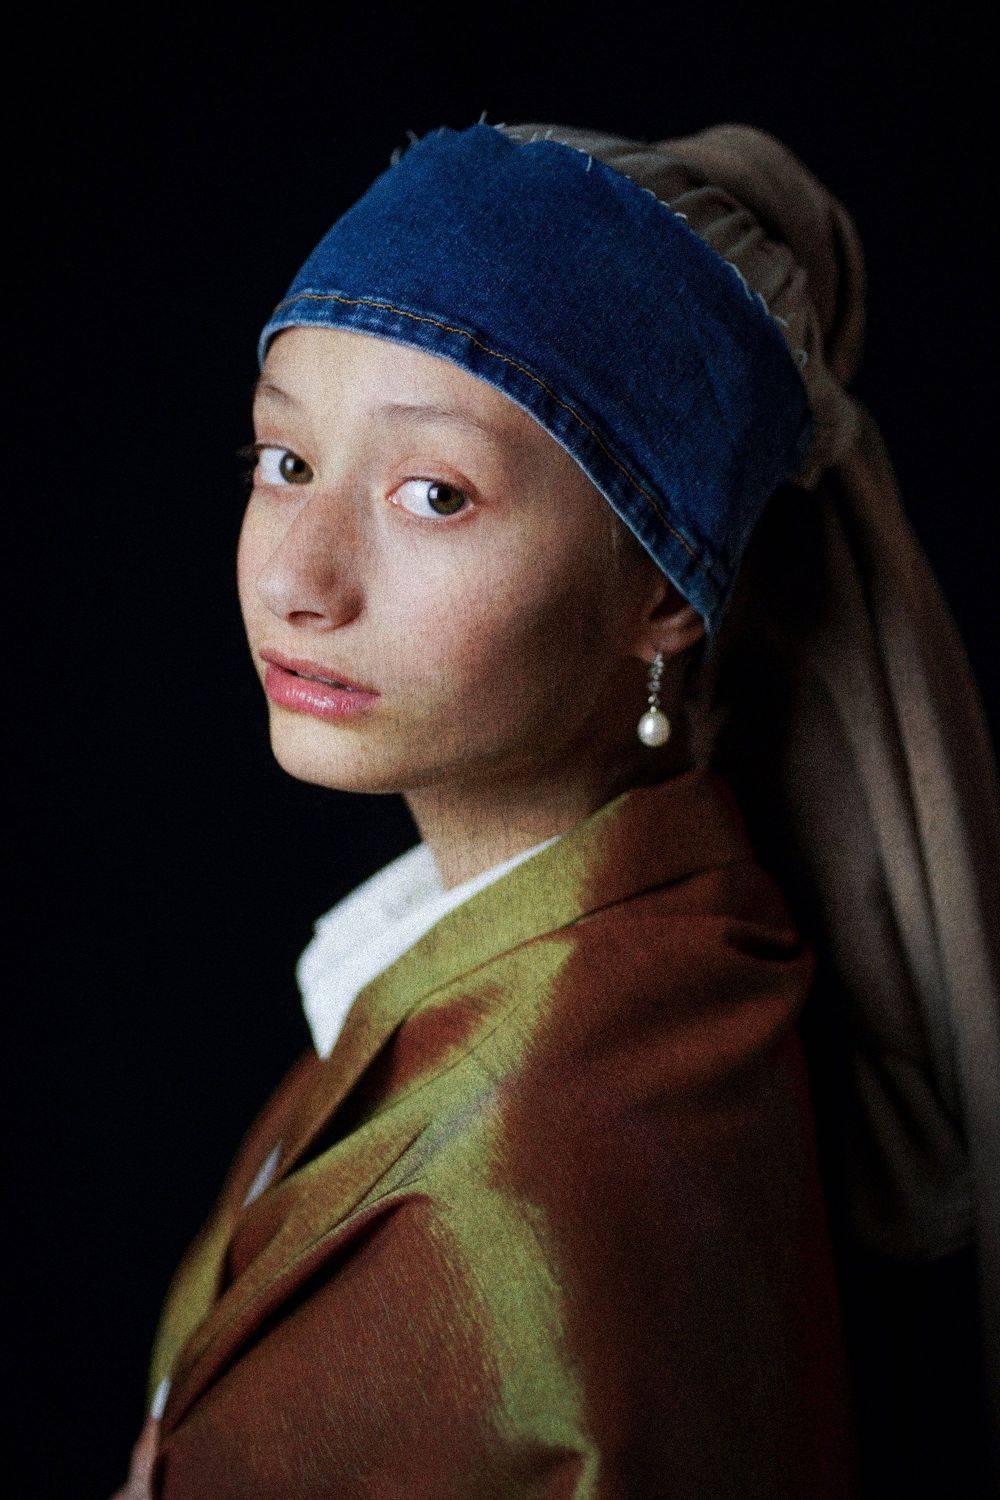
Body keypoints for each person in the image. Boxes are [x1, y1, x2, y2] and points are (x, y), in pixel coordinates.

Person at [113, 116, 999, 1497]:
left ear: (663, 592)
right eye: (284, 461)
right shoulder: (564, 968)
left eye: (433, 493)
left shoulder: (576, 1160)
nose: (298, 577)